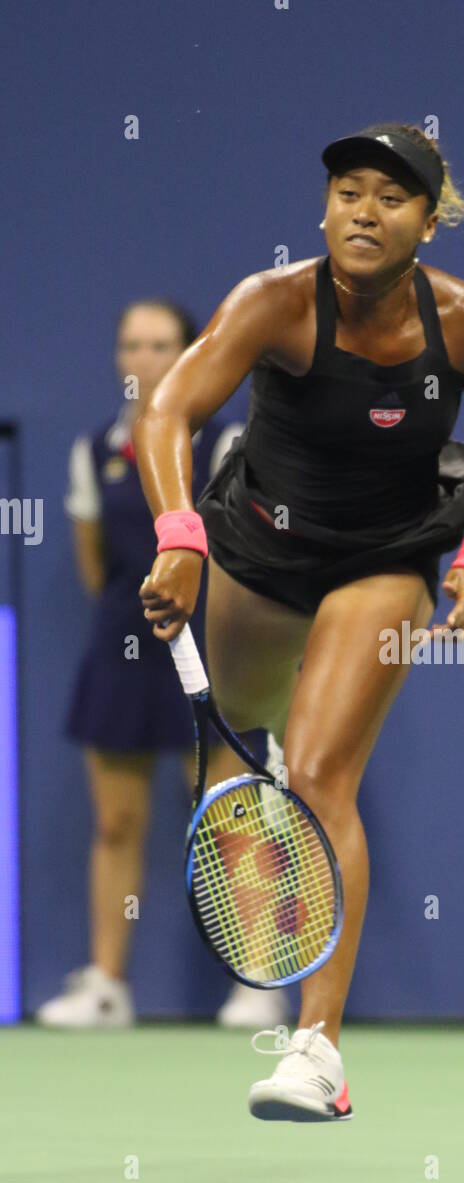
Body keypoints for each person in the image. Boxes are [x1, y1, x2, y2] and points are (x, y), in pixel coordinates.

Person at [134, 122, 464, 1120]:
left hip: (383, 560)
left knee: (317, 778)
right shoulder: (271, 304)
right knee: (229, 768)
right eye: (348, 190)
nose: (364, 208)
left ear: (426, 224)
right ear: (324, 209)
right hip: (254, 552)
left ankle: (315, 1047)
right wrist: (180, 538)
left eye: (391, 197)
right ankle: (260, 818)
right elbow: (166, 411)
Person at [38, 298, 288, 1030]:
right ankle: (108, 987)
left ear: (188, 353)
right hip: (125, 648)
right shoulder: (93, 450)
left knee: (228, 816)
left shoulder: (227, 443)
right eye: (132, 344)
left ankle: (259, 982)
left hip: (212, 647)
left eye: (160, 344)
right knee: (116, 822)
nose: (143, 358)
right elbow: (96, 567)